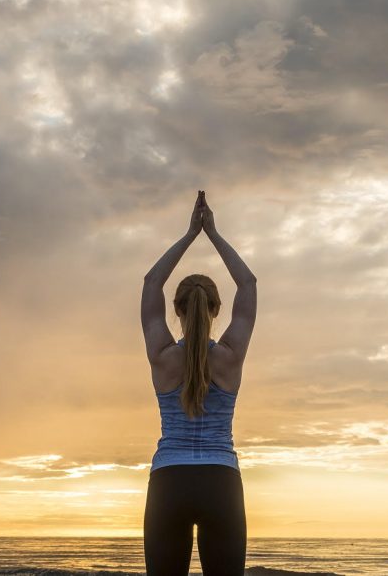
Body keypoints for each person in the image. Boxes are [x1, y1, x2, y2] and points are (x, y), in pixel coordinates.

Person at [140, 190, 257, 575]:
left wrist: (190, 234)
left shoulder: (162, 356)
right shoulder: (230, 356)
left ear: (176, 309)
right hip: (220, 483)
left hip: (169, 483)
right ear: (216, 309)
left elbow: (151, 282)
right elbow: (248, 284)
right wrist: (213, 233)